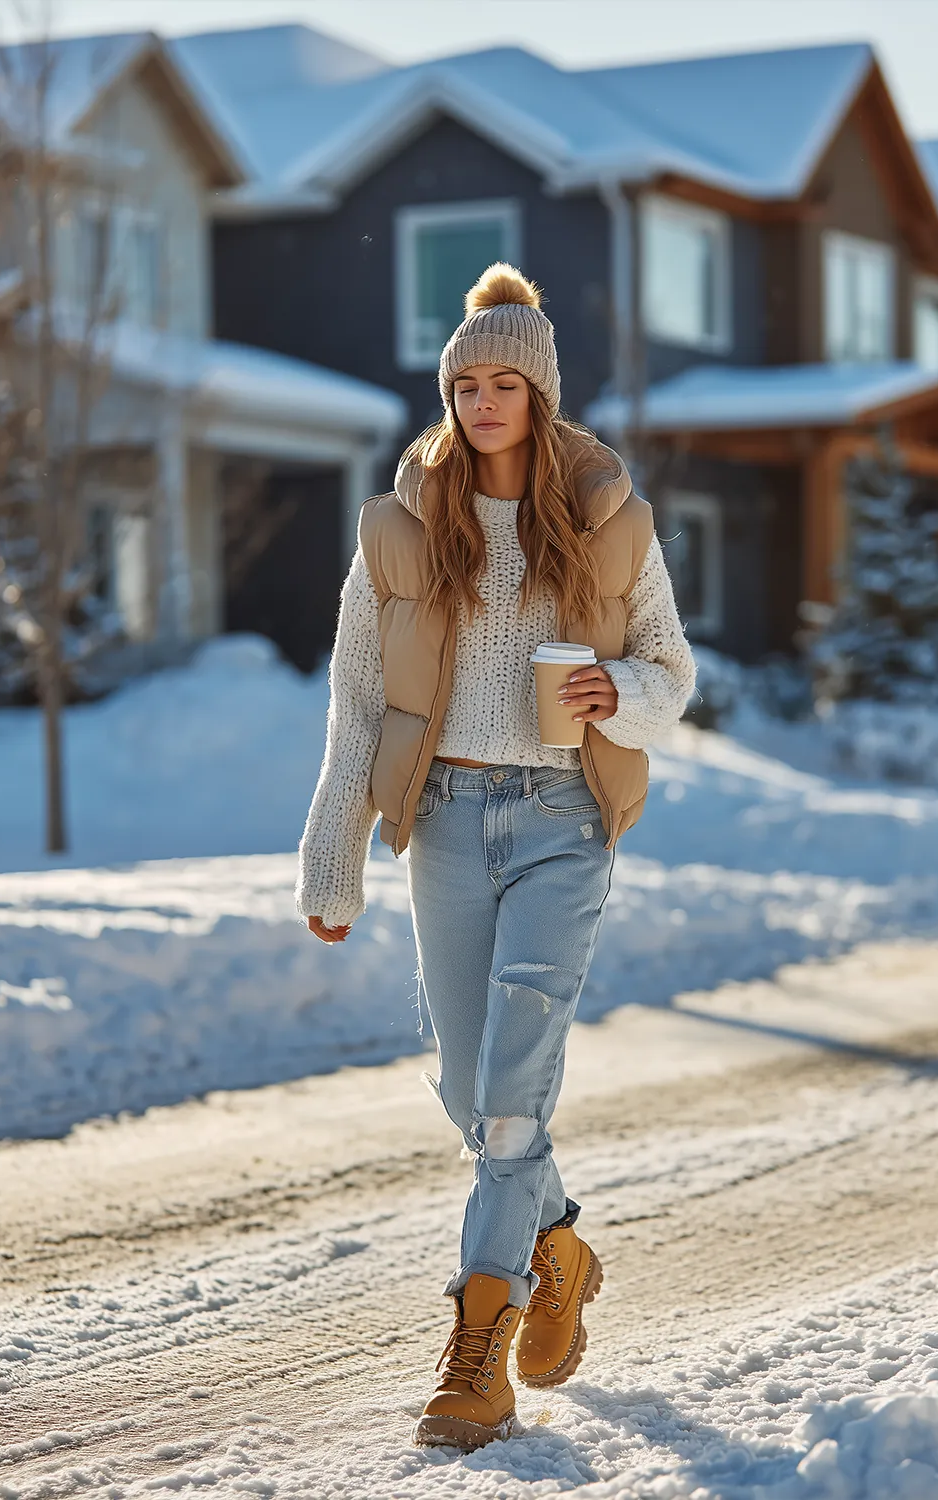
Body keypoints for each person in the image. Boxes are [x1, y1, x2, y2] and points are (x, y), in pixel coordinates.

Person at [297, 263, 696, 1452]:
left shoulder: (611, 517)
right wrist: (332, 857)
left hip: (563, 817)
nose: (482, 401)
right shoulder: (399, 526)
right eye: (465, 383)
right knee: (472, 1093)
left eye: (503, 383)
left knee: (512, 1101)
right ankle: (558, 1244)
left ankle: (478, 1347)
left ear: (539, 392)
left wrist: (615, 688)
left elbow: (670, 673)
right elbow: (357, 702)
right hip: (446, 820)